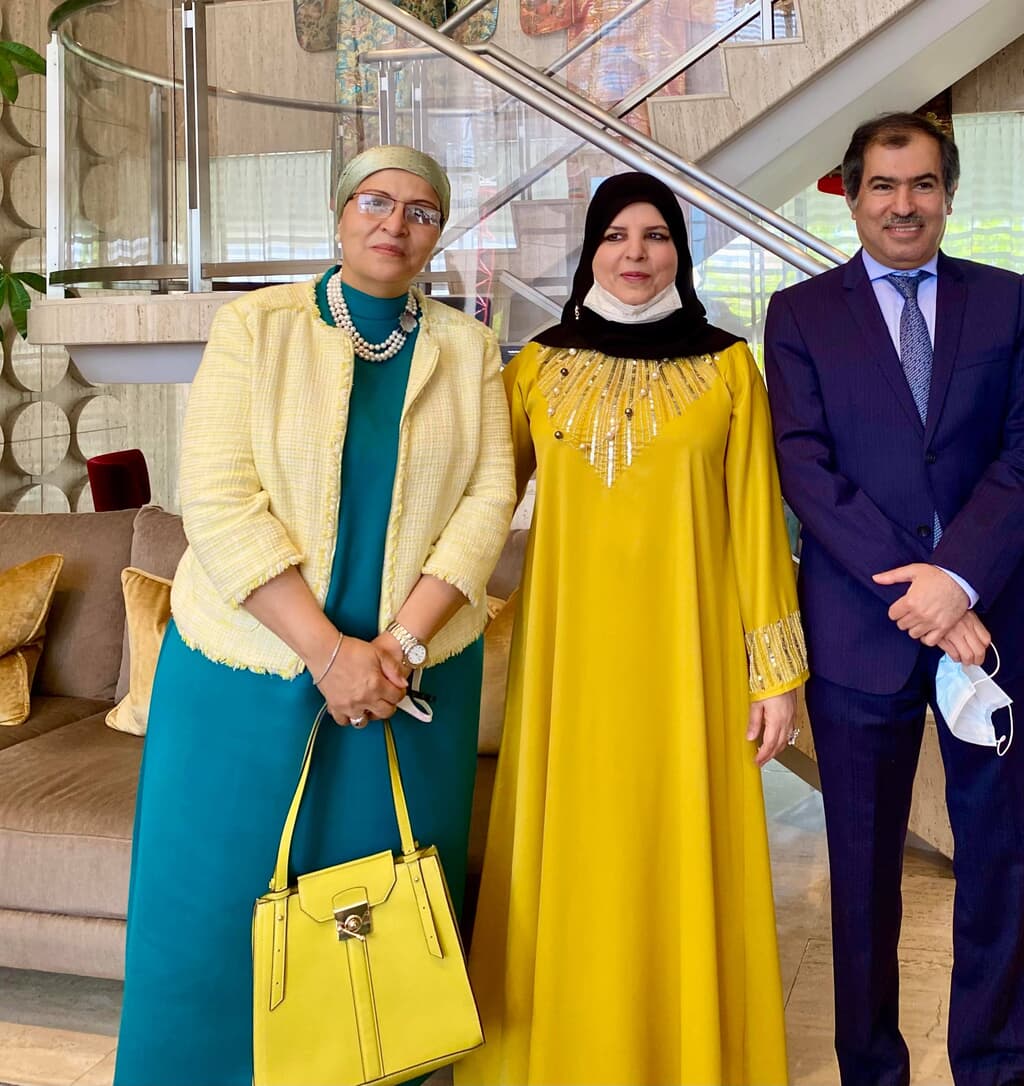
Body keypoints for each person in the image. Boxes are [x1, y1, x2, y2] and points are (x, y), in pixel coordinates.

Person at [114, 145, 515, 1086]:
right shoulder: (255, 326)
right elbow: (217, 500)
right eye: (375, 201)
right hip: (243, 674)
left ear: (437, 235)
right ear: (339, 215)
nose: (395, 223)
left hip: (408, 685)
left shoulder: (469, 348)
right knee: (214, 912)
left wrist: (397, 647)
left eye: (421, 211)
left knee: (381, 929)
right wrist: (330, 654)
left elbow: (488, 501)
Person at [459, 172, 807, 1085]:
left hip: (691, 665)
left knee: (677, 852)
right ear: (591, 251)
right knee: (576, 858)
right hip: (568, 669)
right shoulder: (537, 368)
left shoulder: (729, 369)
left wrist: (776, 675)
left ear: (680, 253)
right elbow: (478, 502)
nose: (636, 254)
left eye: (656, 236)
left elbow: (757, 526)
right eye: (616, 236)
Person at [764, 113, 1024, 1086]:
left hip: (991, 624)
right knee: (860, 880)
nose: (904, 205)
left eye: (923, 184)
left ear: (948, 194)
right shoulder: (800, 314)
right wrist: (920, 591)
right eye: (884, 186)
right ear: (852, 197)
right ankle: (871, 1070)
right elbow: (805, 470)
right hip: (860, 636)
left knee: (996, 866)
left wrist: (957, 579)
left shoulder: (1005, 301)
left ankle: (993, 1068)